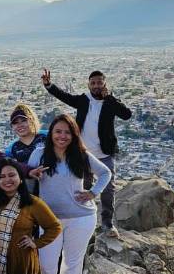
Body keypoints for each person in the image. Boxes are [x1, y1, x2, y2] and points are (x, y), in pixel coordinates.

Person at [41, 69, 132, 238]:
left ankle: (107, 223)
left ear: (105, 84)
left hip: (105, 153)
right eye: (93, 83)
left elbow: (126, 115)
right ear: (88, 85)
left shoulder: (110, 102)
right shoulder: (84, 100)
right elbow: (65, 97)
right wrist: (48, 85)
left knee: (108, 189)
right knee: (83, 187)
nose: (96, 86)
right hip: (83, 154)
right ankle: (82, 220)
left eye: (99, 82)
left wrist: (110, 98)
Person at [30, 114, 112, 274]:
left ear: (74, 135)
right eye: (58, 131)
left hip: (80, 217)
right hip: (49, 219)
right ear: (51, 133)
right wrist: (31, 175)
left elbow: (105, 173)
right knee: (46, 266)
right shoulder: (39, 154)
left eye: (67, 132)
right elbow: (28, 184)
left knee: (72, 266)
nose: (62, 136)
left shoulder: (81, 155)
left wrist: (93, 192)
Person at [0, 158, 62, 274]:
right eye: (2, 177)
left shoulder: (32, 203)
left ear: (21, 178)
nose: (7, 180)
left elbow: (54, 227)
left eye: (12, 175)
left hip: (19, 263)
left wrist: (36, 243)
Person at [4, 103, 49, 193]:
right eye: (15, 123)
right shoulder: (12, 149)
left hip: (52, 184)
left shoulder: (46, 137)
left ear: (31, 120)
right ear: (12, 127)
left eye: (23, 121)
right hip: (30, 191)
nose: (20, 125)